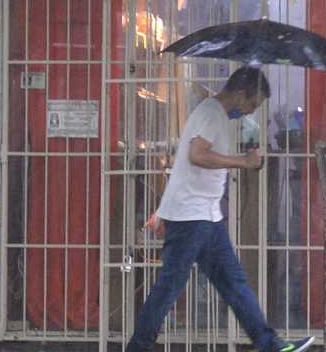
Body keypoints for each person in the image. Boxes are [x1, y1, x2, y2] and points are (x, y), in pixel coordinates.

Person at [126, 67, 314, 352]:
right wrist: (244, 161)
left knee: (231, 284)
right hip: (192, 217)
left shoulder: (213, 114)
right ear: (240, 93)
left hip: (204, 216)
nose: (251, 111)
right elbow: (196, 155)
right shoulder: (211, 114)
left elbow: (184, 165)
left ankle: (269, 344)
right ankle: (138, 347)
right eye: (253, 104)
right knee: (173, 286)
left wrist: (164, 210)